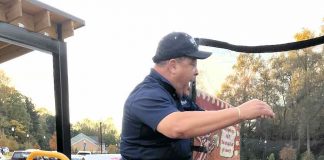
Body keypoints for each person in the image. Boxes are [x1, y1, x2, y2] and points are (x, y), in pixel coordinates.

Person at [120, 32, 275, 159]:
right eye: (193, 64)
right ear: (173, 66)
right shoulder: (146, 95)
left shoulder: (177, 97)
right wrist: (239, 112)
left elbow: (204, 119)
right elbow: (177, 127)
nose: (197, 71)